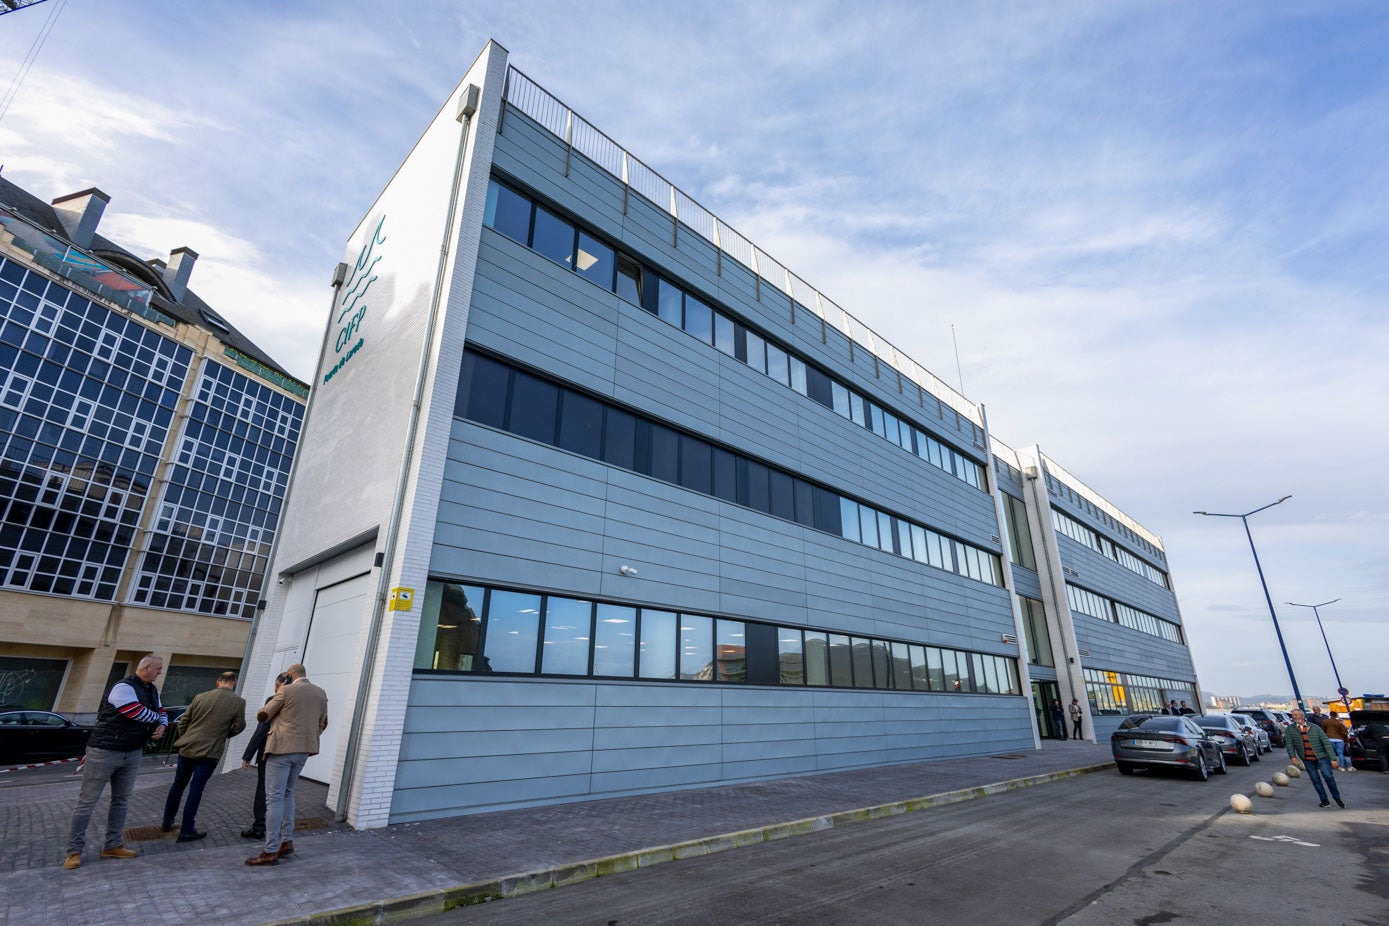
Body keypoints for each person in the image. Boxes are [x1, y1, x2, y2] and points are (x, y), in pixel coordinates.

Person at [64, 654, 168, 869]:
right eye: (157, 668)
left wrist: (163, 725)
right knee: (87, 802)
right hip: (105, 750)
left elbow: (160, 710)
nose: (160, 672)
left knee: (121, 800)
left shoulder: (151, 689)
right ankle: (74, 851)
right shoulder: (123, 687)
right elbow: (134, 712)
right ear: (146, 667)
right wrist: (157, 720)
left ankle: (112, 845)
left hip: (132, 751)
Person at [246, 664, 328, 866]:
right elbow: (323, 722)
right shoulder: (320, 692)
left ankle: (270, 849)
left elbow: (264, 714)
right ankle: (287, 841)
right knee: (288, 793)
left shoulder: (286, 690)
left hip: (281, 749)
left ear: (290, 676)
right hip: (304, 750)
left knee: (273, 798)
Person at [161, 671, 246, 842]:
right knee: (196, 789)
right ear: (234, 682)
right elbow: (239, 726)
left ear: (218, 682)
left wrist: (187, 737)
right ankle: (186, 829)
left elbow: (184, 721)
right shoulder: (238, 702)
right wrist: (222, 734)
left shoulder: (200, 697)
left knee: (178, 785)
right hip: (210, 751)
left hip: (188, 748)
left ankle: (167, 822)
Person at [239, 672, 290, 840]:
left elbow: (262, 729)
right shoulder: (298, 703)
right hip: (290, 753)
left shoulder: (274, 701)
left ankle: (260, 827)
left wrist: (248, 755)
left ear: (279, 685)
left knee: (263, 789)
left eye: (276, 686)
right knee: (284, 791)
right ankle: (282, 829)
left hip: (269, 753)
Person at [1285, 708, 1345, 808]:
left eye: (1296, 715)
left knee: (1328, 777)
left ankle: (1337, 798)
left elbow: (1326, 742)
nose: (1294, 717)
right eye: (1293, 715)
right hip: (1307, 758)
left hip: (1321, 757)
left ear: (1302, 716)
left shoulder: (1314, 727)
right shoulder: (1290, 729)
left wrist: (1333, 759)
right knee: (1315, 780)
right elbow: (1289, 744)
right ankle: (1324, 800)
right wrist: (1293, 756)